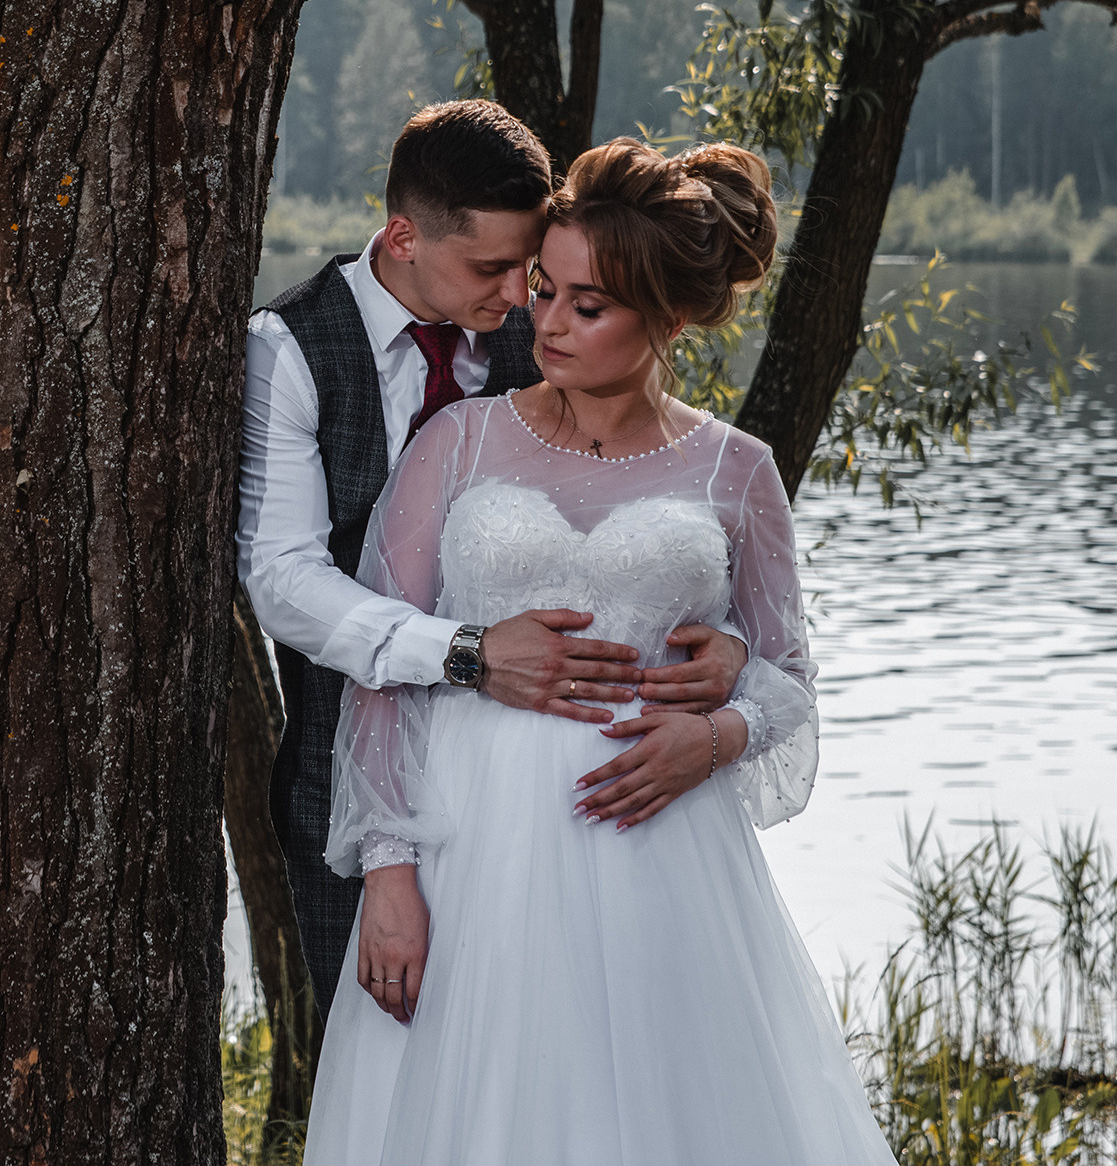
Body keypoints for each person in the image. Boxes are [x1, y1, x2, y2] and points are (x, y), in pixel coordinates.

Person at [301, 137, 898, 1166]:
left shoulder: (736, 470)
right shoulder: (458, 441)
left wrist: (714, 735)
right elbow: (381, 668)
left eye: (590, 304)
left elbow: (786, 679)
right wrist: (387, 875)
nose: (548, 321)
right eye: (546, 289)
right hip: (466, 852)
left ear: (666, 319)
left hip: (657, 852)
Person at [236, 101, 747, 1019]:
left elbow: (651, 501)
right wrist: (466, 651)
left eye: (534, 269)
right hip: (350, 784)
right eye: (492, 268)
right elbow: (281, 578)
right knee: (393, 1076)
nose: (521, 296)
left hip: (569, 806)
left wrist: (731, 648)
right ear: (401, 235)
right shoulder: (290, 350)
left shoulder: (549, 335)